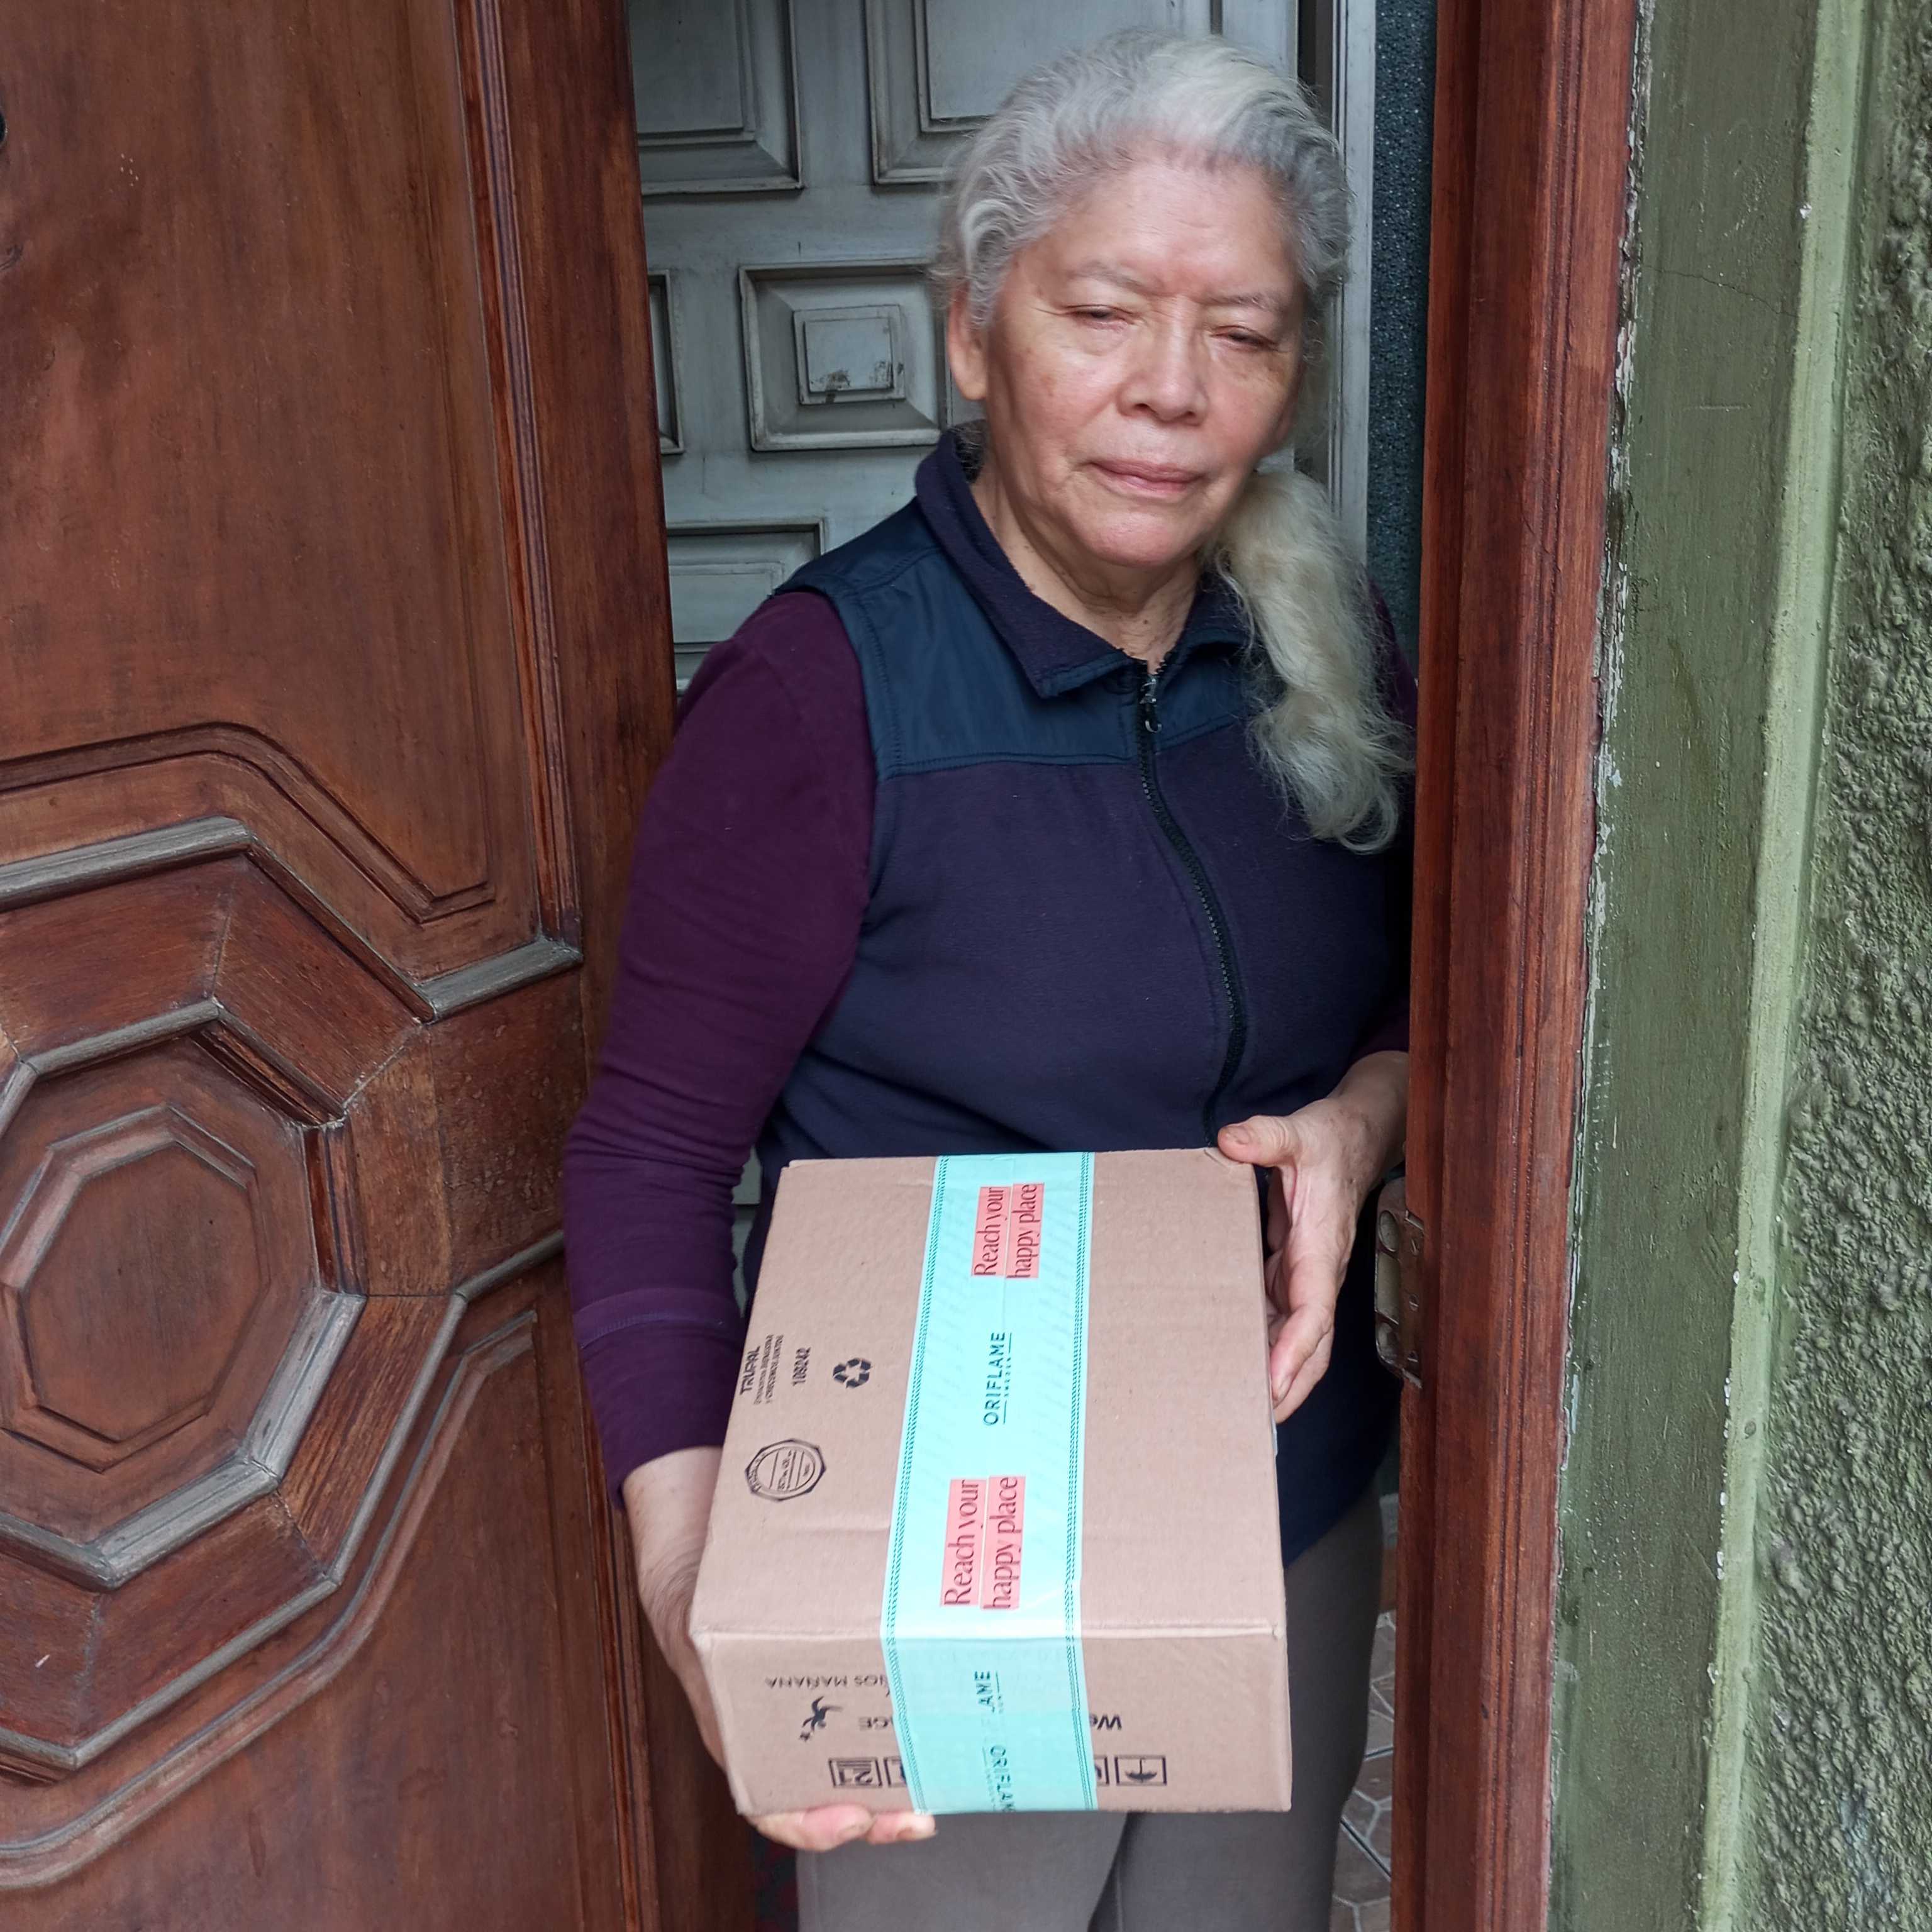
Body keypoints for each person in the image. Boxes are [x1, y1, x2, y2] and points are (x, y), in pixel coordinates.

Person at [563, 28, 1413, 1931]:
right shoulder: (820, 695)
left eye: (1246, 332)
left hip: (1278, 1512)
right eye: (1102, 312)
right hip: (942, 1567)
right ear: (973, 331)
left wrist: (1370, 1115)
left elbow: (1430, 994)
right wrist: (691, 1568)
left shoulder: (1325, 641)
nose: (1172, 390)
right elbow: (647, 1155)